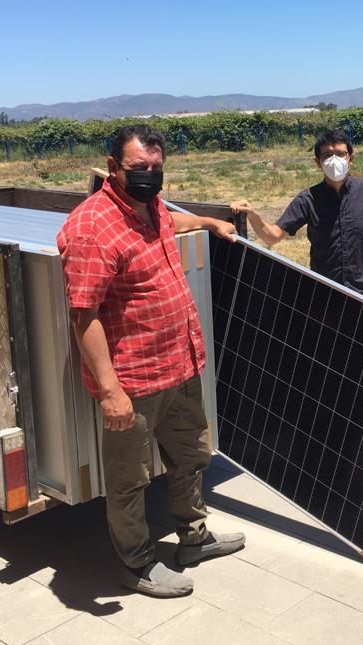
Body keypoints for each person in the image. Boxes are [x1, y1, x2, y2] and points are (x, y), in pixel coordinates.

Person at [57, 125, 245, 598]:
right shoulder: (91, 227)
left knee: (190, 459)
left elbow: (168, 224)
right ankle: (137, 564)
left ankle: (193, 538)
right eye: (139, 168)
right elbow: (84, 317)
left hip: (179, 366)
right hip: (134, 381)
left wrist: (205, 222)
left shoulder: (150, 206)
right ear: (113, 165)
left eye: (156, 168)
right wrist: (111, 391)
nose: (149, 176)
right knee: (130, 480)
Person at [231, 129, 363, 303]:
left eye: (340, 154)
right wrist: (253, 215)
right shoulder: (308, 200)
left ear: (350, 159)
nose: (334, 160)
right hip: (325, 294)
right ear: (318, 162)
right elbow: (272, 236)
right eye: (327, 155)